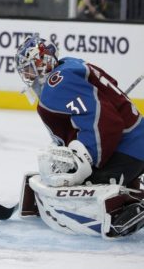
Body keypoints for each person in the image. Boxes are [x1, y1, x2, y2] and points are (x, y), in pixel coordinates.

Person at [14, 34, 144, 238]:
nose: (27, 75)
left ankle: (131, 205)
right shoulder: (69, 67)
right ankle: (130, 185)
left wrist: (86, 157)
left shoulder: (58, 82)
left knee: (85, 186)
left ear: (44, 63)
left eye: (30, 67)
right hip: (131, 142)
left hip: (129, 147)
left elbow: (103, 119)